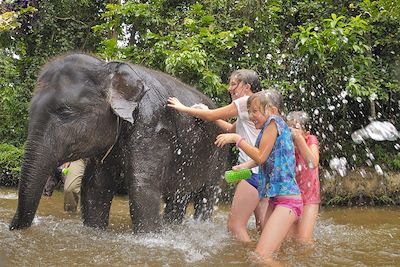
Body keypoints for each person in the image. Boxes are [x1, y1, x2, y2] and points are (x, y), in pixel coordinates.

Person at [167, 69, 269, 242]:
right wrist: (209, 114)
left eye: (234, 84)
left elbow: (214, 114)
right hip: (262, 171)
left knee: (235, 226)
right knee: (262, 225)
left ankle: (253, 258)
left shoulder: (245, 101)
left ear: (247, 87)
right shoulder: (253, 109)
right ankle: (268, 253)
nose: (230, 89)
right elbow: (230, 128)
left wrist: (182, 108)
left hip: (253, 172)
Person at [214, 89, 303, 263]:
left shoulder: (274, 122)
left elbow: (261, 155)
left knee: (261, 257)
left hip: (287, 202)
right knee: (270, 253)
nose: (251, 115)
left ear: (273, 110)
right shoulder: (266, 130)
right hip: (275, 200)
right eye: (249, 111)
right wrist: (245, 166)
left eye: (255, 111)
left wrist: (237, 139)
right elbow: (263, 158)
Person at [287, 111, 320, 244]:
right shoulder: (285, 143)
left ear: (306, 132)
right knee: (288, 239)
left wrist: (300, 140)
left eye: (296, 127)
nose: (292, 131)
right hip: (289, 195)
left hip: (309, 196)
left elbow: (313, 162)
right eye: (289, 127)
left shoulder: (310, 140)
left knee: (303, 240)